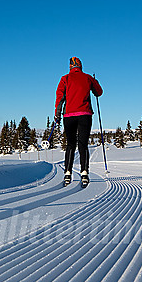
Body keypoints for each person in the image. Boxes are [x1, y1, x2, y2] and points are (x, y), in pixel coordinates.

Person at [55, 57, 103, 187]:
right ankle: (84, 172)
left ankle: (68, 173)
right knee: (83, 144)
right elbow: (99, 92)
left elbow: (60, 98)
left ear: (70, 66)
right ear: (80, 66)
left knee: (70, 144)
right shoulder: (88, 78)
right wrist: (96, 82)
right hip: (85, 115)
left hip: (69, 115)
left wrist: (57, 115)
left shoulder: (65, 79)